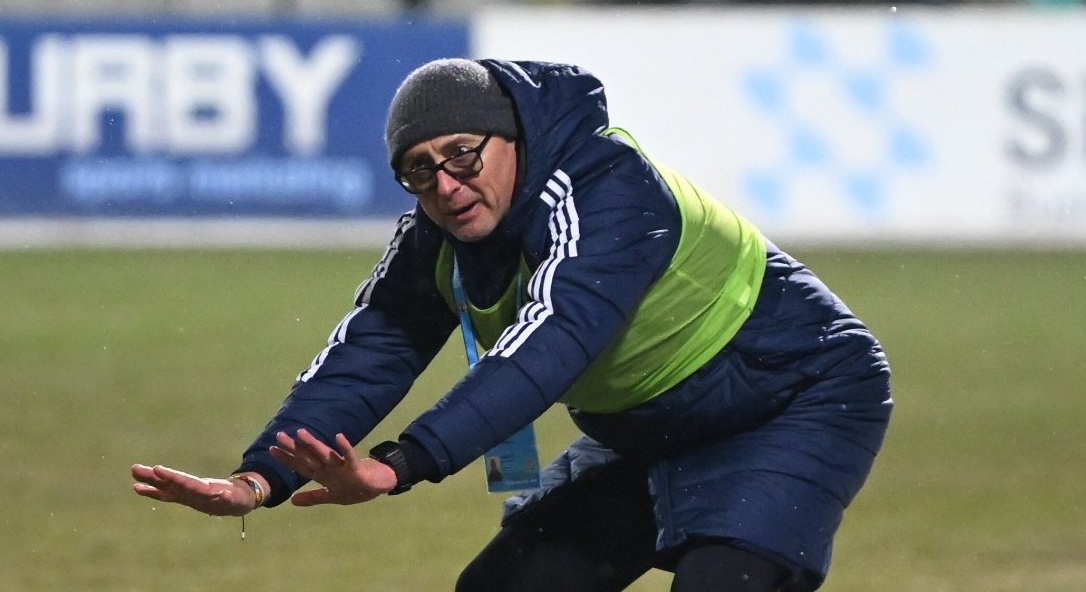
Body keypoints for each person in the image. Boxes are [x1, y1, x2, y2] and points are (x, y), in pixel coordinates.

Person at [131, 58, 893, 592]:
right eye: (420, 170)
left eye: (463, 155)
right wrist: (259, 477)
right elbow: (373, 347)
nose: (446, 185)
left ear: (514, 140)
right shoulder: (435, 236)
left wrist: (399, 463)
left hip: (792, 398)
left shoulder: (610, 188)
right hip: (648, 428)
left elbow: (552, 341)